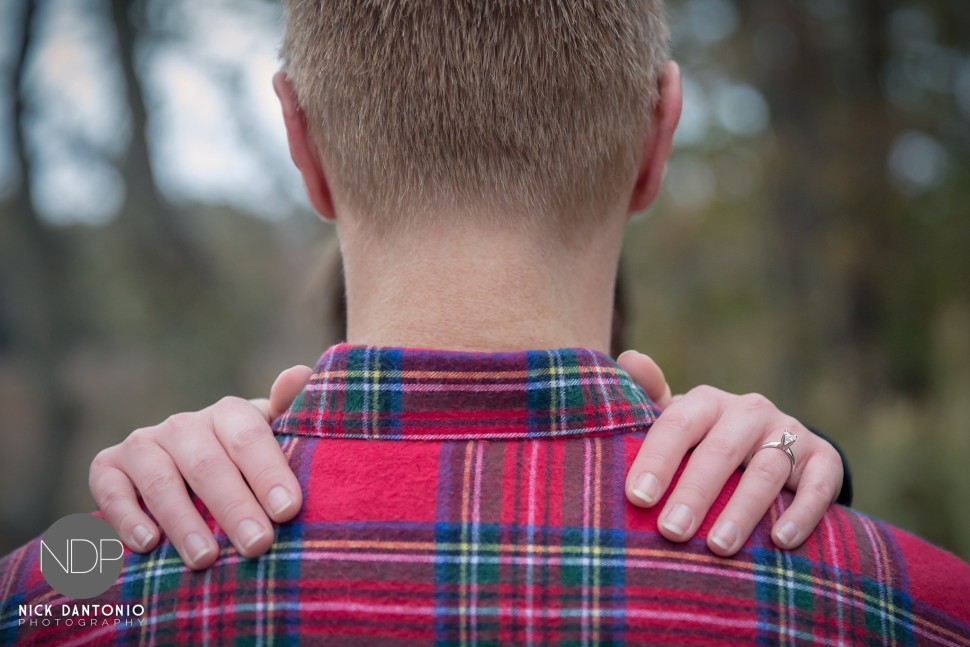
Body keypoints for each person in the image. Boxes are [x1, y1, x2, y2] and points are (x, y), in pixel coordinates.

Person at [2, 1, 969, 645]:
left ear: (302, 144)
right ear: (657, 135)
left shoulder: (57, 595)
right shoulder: (911, 605)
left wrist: (86, 547)